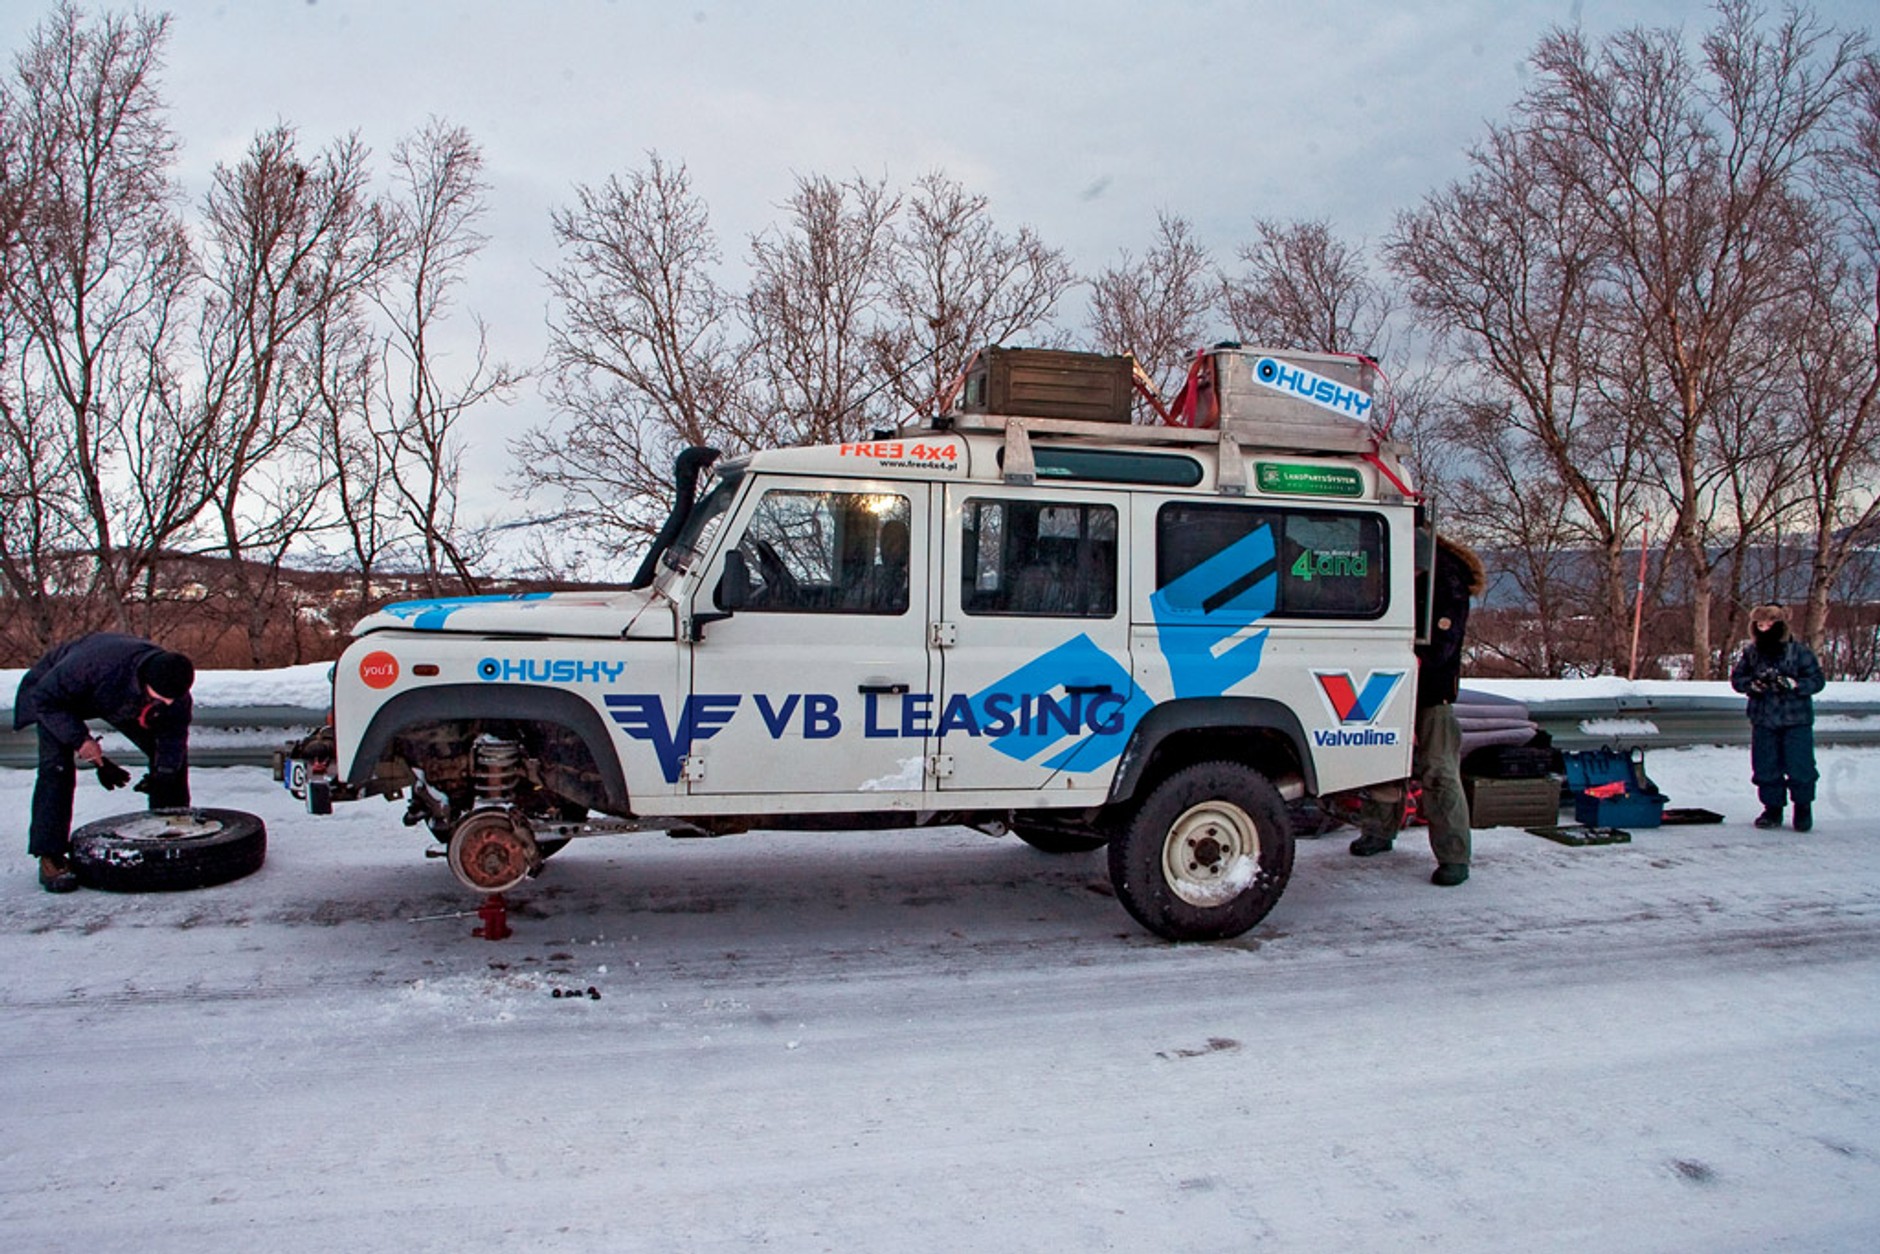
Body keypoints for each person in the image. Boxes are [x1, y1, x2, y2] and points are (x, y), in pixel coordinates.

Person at [1350, 533, 1486, 886]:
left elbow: (1443, 644)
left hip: (1430, 688)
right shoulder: (1392, 558)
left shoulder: (1445, 577)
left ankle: (1454, 855)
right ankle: (1378, 830)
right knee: (1377, 757)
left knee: (1438, 771)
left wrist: (1406, 666)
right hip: (1387, 678)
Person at [13, 633, 195, 892]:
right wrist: (82, 742)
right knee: (56, 769)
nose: (167, 702)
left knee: (171, 761)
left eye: (172, 698)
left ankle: (171, 831)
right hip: (55, 698)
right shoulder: (91, 666)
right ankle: (50, 856)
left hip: (118, 696)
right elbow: (45, 700)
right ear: (147, 682)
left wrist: (162, 775)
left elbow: (172, 736)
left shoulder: (173, 691)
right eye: (162, 696)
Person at [1729, 603, 1824, 832]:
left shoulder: (1799, 652)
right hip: (1763, 719)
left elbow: (1817, 680)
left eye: (1769, 624)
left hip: (1795, 719)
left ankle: (1802, 808)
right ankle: (1772, 809)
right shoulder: (1751, 653)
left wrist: (1795, 684)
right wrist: (1753, 685)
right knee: (1765, 767)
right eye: (1760, 625)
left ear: (1780, 625)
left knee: (1800, 766)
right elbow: (1737, 679)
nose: (1765, 629)